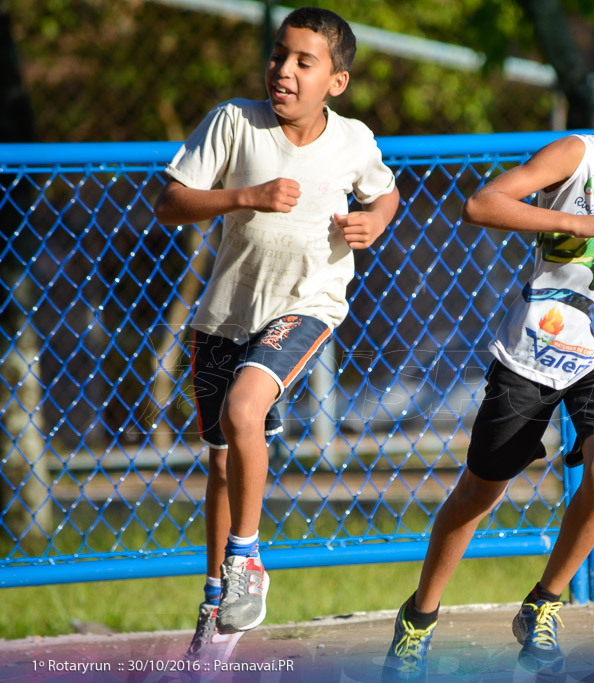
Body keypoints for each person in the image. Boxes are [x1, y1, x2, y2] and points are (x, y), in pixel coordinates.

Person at [382, 29, 594, 681]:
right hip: (534, 352)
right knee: (482, 492)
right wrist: (579, 223)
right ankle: (419, 617)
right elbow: (483, 203)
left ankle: (544, 601)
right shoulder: (578, 154)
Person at [153, 6, 399, 662]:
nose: (283, 71)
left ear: (335, 83)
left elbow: (385, 193)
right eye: (278, 55)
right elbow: (170, 202)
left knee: (245, 408)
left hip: (308, 303)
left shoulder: (353, 141)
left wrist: (374, 222)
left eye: (303, 62)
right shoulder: (234, 121)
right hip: (225, 314)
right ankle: (217, 608)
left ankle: (248, 558)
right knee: (224, 461)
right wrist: (245, 196)